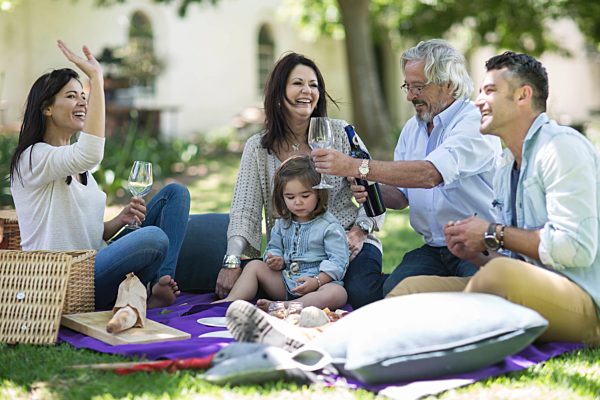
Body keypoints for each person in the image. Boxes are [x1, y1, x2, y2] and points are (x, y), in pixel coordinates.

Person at [430, 51, 600, 344]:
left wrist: (491, 232)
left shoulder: (561, 148)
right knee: (414, 288)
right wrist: (475, 251)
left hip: (585, 303)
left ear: (523, 96)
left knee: (499, 276)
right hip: (529, 287)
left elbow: (576, 248)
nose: (477, 101)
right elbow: (515, 258)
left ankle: (444, 340)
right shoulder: (506, 164)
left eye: (489, 91)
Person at [311, 39, 502, 296]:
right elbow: (401, 197)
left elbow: (429, 174)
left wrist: (358, 166)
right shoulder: (413, 127)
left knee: (482, 298)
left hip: (480, 247)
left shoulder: (475, 122)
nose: (410, 96)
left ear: (449, 84)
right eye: (407, 86)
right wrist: (369, 187)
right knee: (390, 294)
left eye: (418, 87)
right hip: (434, 249)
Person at [9, 41, 190, 310]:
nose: (82, 100)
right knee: (152, 237)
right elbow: (90, 152)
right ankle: (146, 292)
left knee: (175, 194)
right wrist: (96, 77)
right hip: (65, 278)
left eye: (83, 95)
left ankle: (159, 284)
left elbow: (90, 233)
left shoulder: (76, 166)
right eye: (71, 96)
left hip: (95, 264)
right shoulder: (33, 157)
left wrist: (120, 219)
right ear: (47, 108)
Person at [217, 52, 385, 308]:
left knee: (360, 294)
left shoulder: (341, 133)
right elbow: (244, 211)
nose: (307, 91)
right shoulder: (258, 148)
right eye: (298, 83)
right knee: (257, 278)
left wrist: (360, 231)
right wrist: (231, 260)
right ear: (278, 92)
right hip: (293, 253)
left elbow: (371, 190)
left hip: (347, 243)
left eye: (313, 85)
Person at [215, 156, 348, 310]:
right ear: (282, 197)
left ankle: (285, 306)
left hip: (318, 286)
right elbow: (273, 248)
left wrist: (317, 281)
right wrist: (274, 259)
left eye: (305, 196)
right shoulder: (282, 223)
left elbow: (338, 262)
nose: (298, 202)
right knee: (254, 266)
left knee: (338, 293)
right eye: (290, 197)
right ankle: (231, 301)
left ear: (318, 193)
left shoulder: (329, 226)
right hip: (286, 282)